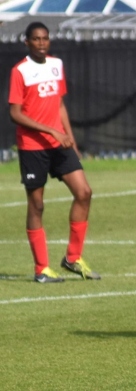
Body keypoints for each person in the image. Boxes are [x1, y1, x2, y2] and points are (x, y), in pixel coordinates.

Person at [8, 22, 99, 283]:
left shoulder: (56, 65)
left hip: (59, 144)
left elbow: (59, 104)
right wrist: (52, 131)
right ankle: (41, 269)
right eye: (36, 39)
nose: (41, 43)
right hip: (32, 147)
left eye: (45, 38)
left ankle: (72, 257)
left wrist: (67, 135)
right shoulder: (20, 71)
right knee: (37, 205)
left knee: (84, 192)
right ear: (27, 42)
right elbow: (15, 113)